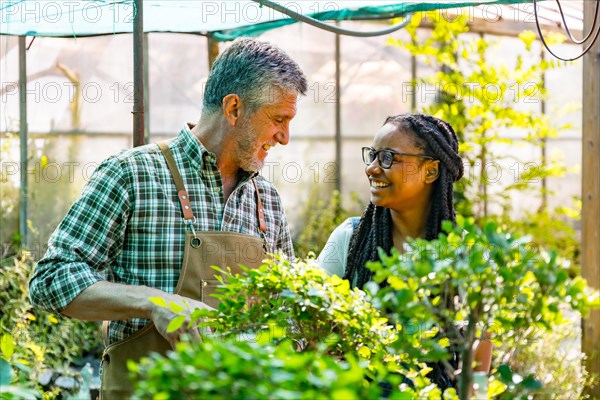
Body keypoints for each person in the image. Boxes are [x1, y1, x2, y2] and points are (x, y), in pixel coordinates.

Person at [29, 38, 307, 398]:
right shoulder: (131, 174)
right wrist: (153, 302)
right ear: (234, 108)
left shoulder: (265, 199)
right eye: (279, 120)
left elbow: (287, 312)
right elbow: (51, 279)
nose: (284, 137)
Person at [317, 113, 492, 390]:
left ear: (430, 171)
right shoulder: (349, 239)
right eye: (372, 156)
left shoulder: (466, 255)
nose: (372, 168)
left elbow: (476, 371)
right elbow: (313, 329)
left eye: (388, 158)